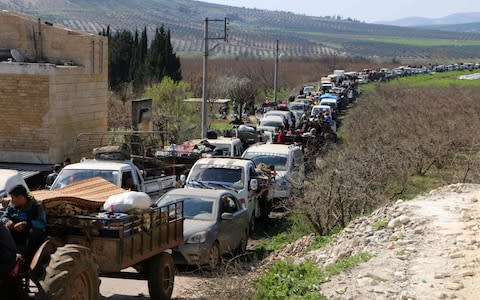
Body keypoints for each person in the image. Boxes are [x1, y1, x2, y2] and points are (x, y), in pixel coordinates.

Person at [1, 185, 47, 263]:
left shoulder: (36, 206)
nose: (11, 200)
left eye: (13, 198)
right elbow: (4, 216)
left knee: (34, 232)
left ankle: (29, 260)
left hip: (29, 235)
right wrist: (7, 221)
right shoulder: (11, 206)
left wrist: (26, 224)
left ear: (21, 197)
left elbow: (42, 223)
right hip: (14, 234)